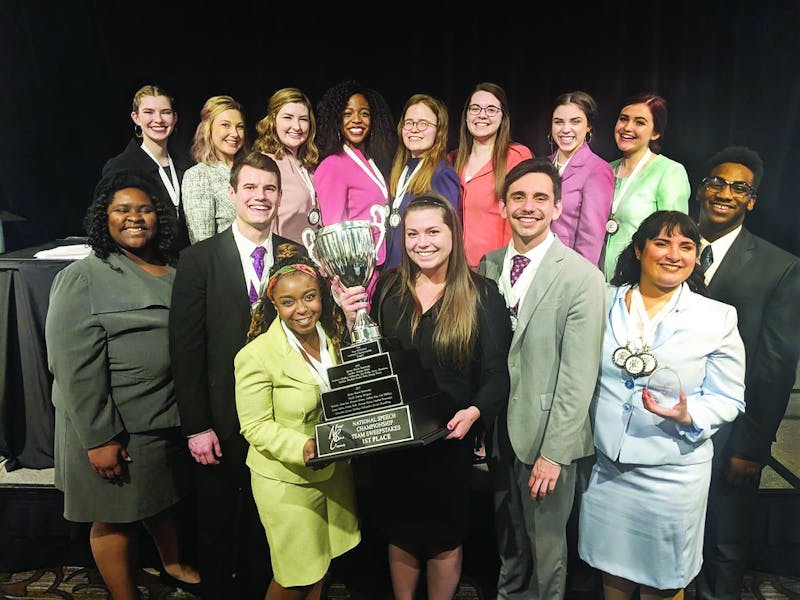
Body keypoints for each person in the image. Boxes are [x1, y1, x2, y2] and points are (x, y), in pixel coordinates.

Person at [337, 193, 511, 600]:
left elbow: (497, 373)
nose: (422, 242)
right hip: (394, 441)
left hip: (449, 440)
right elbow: (366, 361)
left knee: (444, 539)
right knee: (400, 532)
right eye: (412, 234)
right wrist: (350, 322)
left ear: (453, 232)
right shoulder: (387, 289)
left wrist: (474, 413)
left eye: (433, 231)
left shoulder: (482, 294)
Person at [45, 171, 200, 600]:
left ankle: (172, 564)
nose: (135, 218)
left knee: (158, 499)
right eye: (122, 210)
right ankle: (123, 594)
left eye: (145, 209)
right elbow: (71, 365)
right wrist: (99, 438)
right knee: (114, 516)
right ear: (104, 219)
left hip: (161, 418)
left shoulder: (173, 269)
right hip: (113, 426)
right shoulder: (84, 277)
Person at [579, 210, 746, 600]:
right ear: (639, 249)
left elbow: (729, 396)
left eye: (686, 246)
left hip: (673, 474)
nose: (674, 254)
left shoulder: (716, 317)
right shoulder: (601, 301)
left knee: (665, 582)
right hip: (608, 469)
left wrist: (690, 414)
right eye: (662, 243)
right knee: (612, 574)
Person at [169, 151, 304, 599]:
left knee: (268, 528)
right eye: (250, 187)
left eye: (269, 188)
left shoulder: (295, 254)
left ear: (280, 196)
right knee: (216, 527)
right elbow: (186, 350)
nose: (259, 197)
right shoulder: (199, 259)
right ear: (232, 194)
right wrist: (197, 426)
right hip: (220, 421)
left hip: (279, 420)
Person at [478, 157, 605, 600]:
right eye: (518, 197)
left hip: (548, 438)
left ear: (556, 207)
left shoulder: (582, 276)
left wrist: (556, 453)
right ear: (503, 206)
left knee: (547, 550)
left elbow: (579, 375)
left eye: (539, 198)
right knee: (509, 542)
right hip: (499, 435)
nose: (527, 207)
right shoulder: (488, 264)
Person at [693, 146, 800, 600]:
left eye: (740, 188)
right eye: (717, 182)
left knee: (723, 541)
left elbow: (775, 366)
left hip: (732, 435)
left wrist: (751, 446)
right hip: (667, 428)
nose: (725, 193)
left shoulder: (780, 267)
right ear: (702, 189)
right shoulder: (669, 249)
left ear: (751, 201)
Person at [234, 243, 360, 600]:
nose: (302, 310)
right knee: (295, 576)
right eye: (288, 302)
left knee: (320, 565)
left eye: (310, 297)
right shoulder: (255, 356)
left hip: (333, 474)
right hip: (288, 482)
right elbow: (255, 426)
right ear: (273, 305)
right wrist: (303, 447)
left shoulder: (332, 338)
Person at [602, 92, 690, 280]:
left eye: (639, 122)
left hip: (638, 282)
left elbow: (674, 236)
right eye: (623, 119)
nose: (627, 127)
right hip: (593, 281)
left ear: (656, 133)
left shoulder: (669, 171)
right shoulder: (604, 170)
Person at [449, 82, 532, 270]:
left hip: (496, 269)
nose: (482, 114)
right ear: (466, 115)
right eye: (475, 108)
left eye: (491, 109)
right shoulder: (451, 160)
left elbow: (519, 218)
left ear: (503, 117)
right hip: (454, 272)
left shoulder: (516, 157)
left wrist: (507, 268)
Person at [314, 79, 396, 269]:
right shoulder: (333, 165)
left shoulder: (373, 161)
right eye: (347, 114)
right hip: (356, 269)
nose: (357, 119)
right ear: (336, 119)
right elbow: (334, 232)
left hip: (381, 262)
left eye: (364, 113)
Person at [102, 84, 190, 251]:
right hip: (145, 263)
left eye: (165, 112)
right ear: (136, 118)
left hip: (187, 263)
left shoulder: (188, 166)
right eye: (149, 112)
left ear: (175, 118)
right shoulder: (121, 167)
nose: (158, 119)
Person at [384, 94, 461, 270]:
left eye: (423, 124)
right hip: (392, 274)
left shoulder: (442, 174)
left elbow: (446, 237)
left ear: (438, 131)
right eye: (409, 123)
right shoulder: (399, 170)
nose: (414, 129)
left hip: (420, 275)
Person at [547, 90, 614, 267]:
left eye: (575, 122)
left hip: (567, 269)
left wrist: (577, 280)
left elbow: (590, 238)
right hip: (534, 265)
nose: (565, 129)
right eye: (558, 122)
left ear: (588, 126)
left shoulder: (597, 169)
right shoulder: (542, 166)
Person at [253, 87, 319, 244]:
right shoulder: (265, 165)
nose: (297, 126)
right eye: (288, 118)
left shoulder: (308, 165)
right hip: (286, 261)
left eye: (303, 119)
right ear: (272, 120)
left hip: (316, 259)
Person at [182, 95, 247, 243]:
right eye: (225, 125)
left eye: (240, 126)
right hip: (225, 263)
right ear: (208, 129)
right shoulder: (199, 175)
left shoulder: (250, 170)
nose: (235, 134)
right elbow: (202, 243)